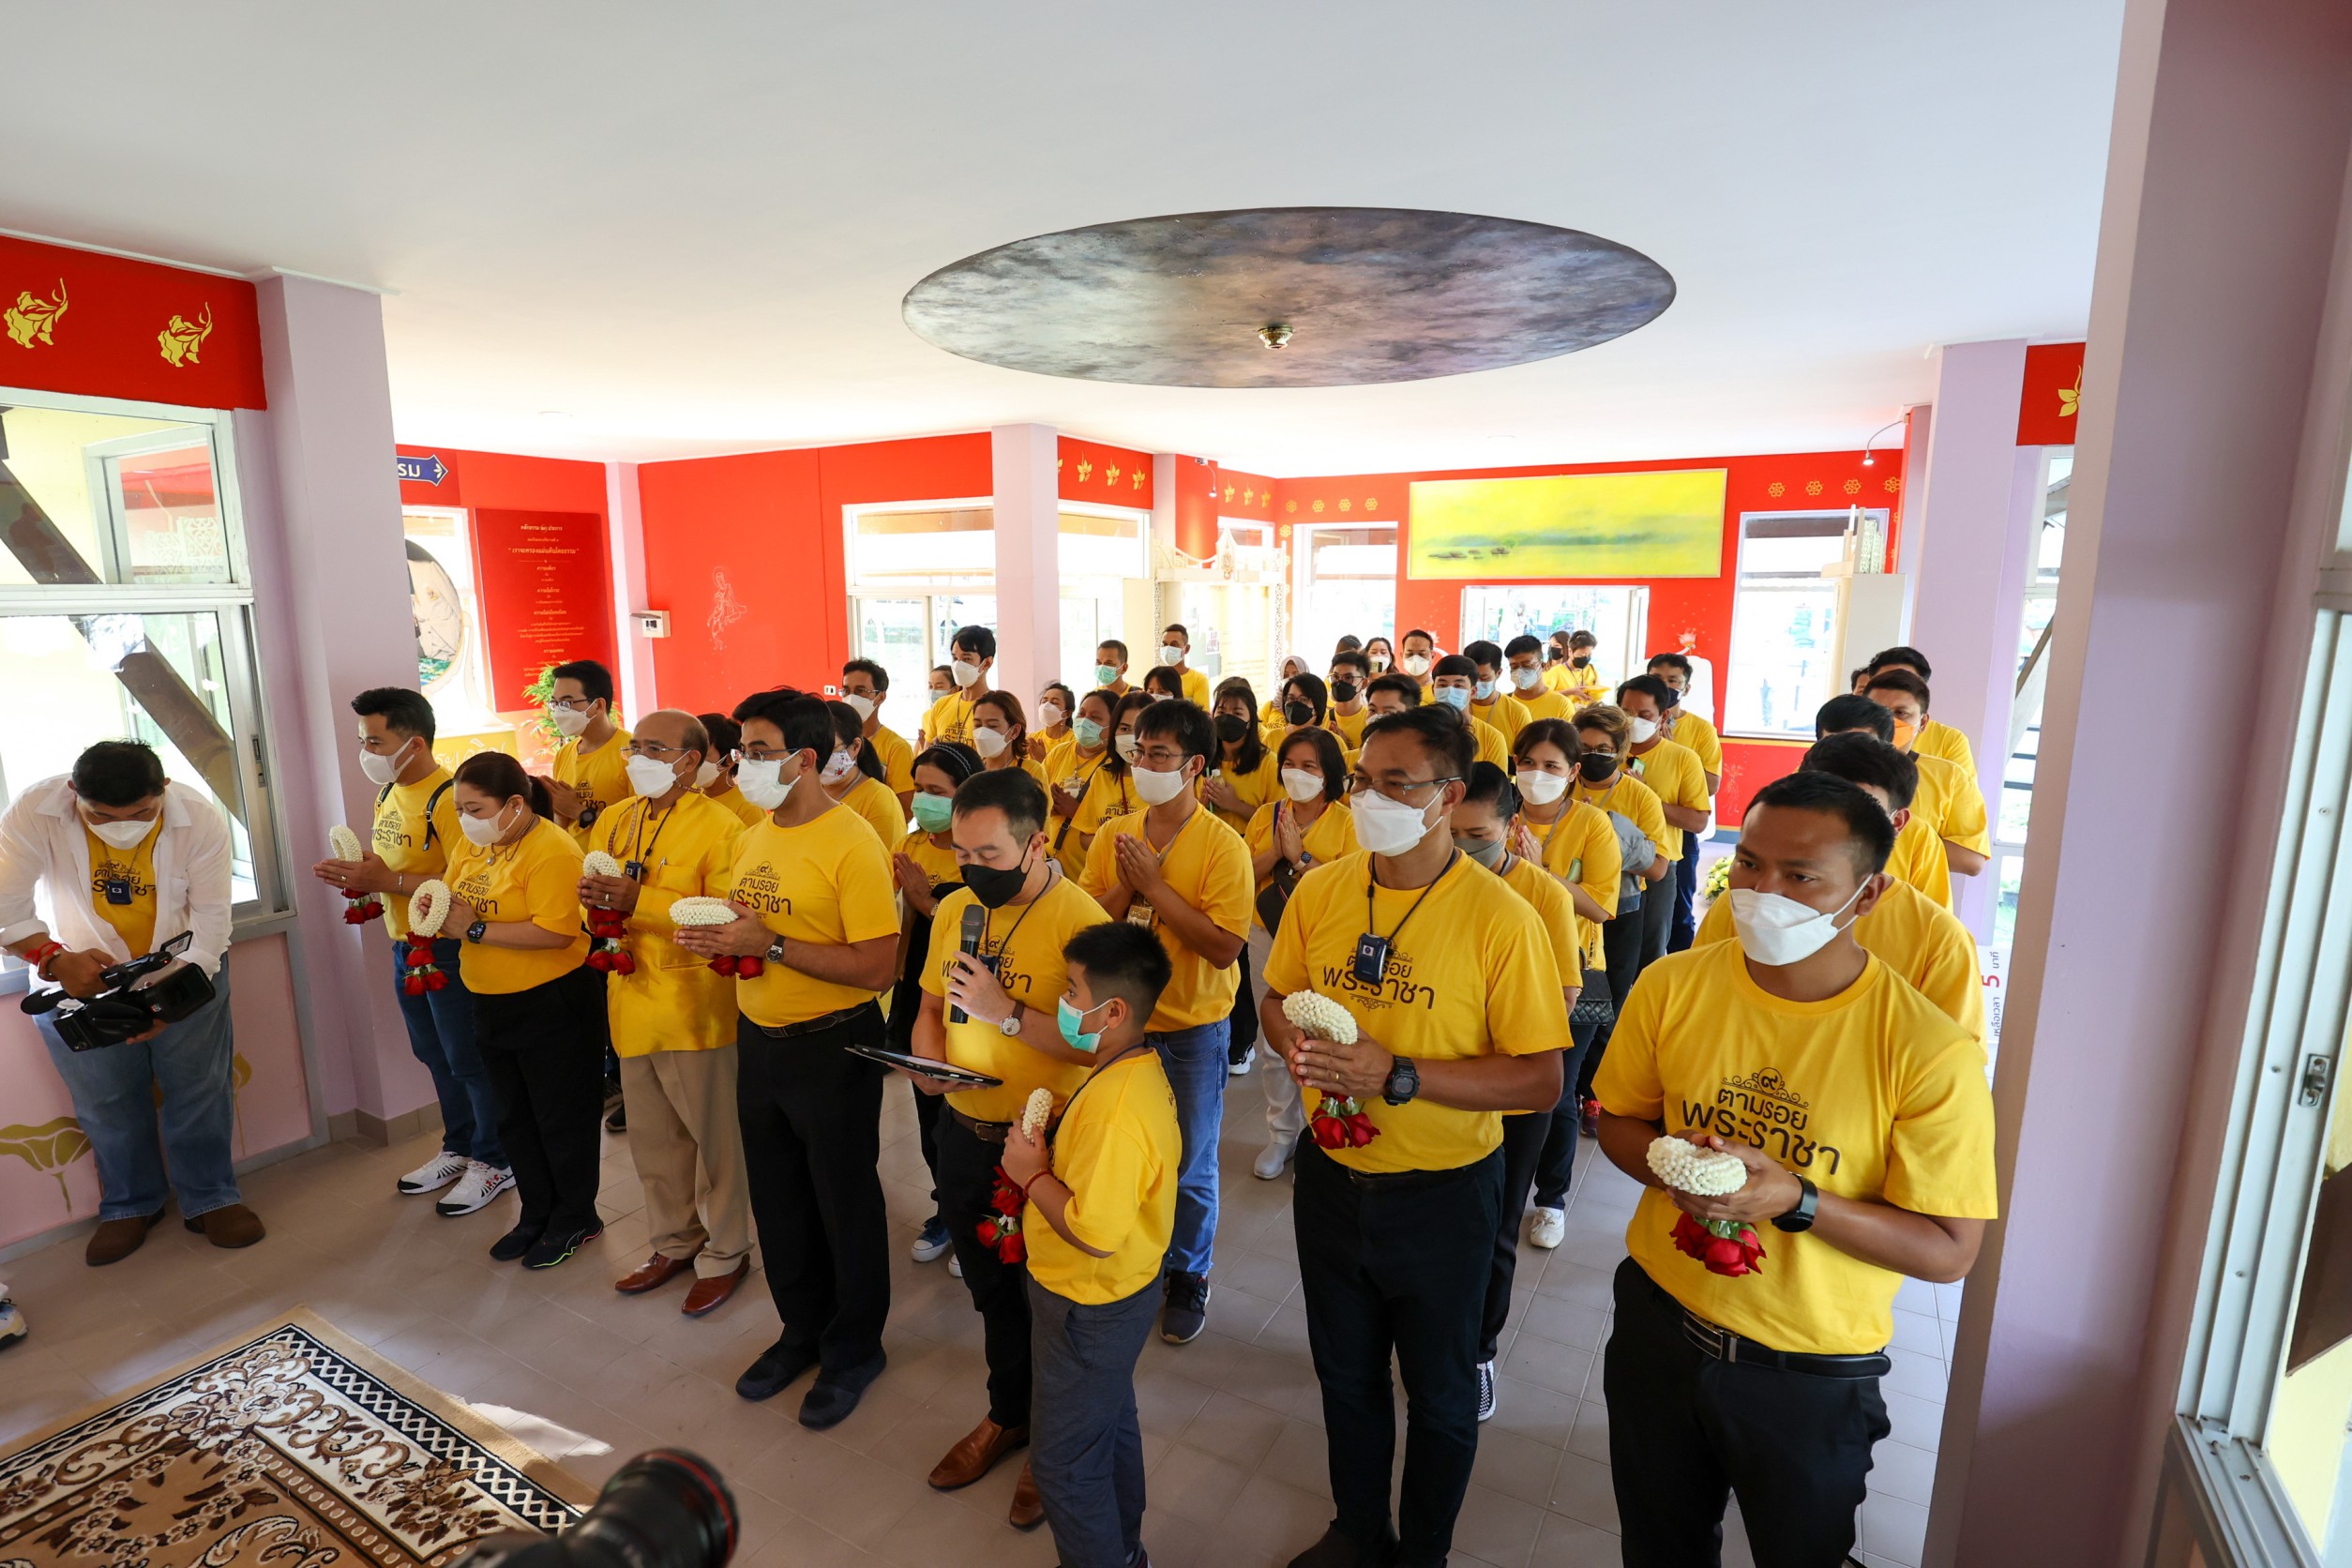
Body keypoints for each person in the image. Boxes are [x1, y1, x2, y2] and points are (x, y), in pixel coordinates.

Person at [1593, 771, 1997, 1565]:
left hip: (1807, 1371)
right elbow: (1620, 1122)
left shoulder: (1926, 1050)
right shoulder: (1672, 985)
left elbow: (1950, 1250)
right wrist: (1677, 1168)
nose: (1761, 892)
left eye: (1801, 876)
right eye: (1749, 863)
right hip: (1658, 1327)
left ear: (1869, 893)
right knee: (1658, 1545)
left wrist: (1795, 1199)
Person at [1259, 706, 1566, 1568]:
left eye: (1398, 784)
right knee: (1345, 1375)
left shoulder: (1501, 918)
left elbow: (1540, 1079)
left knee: (1439, 1394)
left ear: (1449, 796)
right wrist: (1298, 1047)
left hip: (1442, 1195)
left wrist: (1398, 1074)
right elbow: (1276, 998)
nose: (1370, 798)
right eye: (1364, 780)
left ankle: (1424, 1551)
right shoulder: (1322, 890)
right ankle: (1358, 1529)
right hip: (1331, 1179)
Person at [674, 688, 900, 1427]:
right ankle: (801, 1329)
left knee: (843, 1200)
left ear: (805, 759)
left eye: (759, 752)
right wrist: (722, 943)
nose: (743, 765)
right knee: (778, 1196)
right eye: (742, 751)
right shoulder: (754, 836)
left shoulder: (853, 842)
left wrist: (768, 944)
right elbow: (752, 928)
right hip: (760, 1039)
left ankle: (855, 1349)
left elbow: (877, 968)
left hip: (832, 1044)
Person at [910, 768, 1108, 1529]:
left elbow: (1100, 1047)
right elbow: (930, 1006)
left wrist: (1007, 1012)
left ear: (1038, 843)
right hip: (965, 1132)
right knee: (992, 1291)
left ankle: (1054, 1443)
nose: (972, 870)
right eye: (961, 854)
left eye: (989, 855)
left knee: (1051, 1305)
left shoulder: (1084, 924)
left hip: (1045, 1148)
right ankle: (1008, 1414)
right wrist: (929, 1062)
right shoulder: (954, 909)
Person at [1, 740, 258, 1263]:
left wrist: (168, 1006)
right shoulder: (35, 810)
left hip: (185, 975)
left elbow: (212, 925)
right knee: (106, 1102)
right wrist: (53, 958)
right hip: (79, 985)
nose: (122, 826)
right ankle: (130, 1205)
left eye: (142, 813)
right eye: (101, 815)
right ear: (74, 793)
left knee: (200, 1088)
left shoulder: (199, 819)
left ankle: (211, 1198)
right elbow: (4, 902)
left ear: (164, 789)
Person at [1001, 923, 1181, 1568]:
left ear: (1114, 1012)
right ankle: (1124, 1551)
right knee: (1105, 1426)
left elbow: (1095, 1233)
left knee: (1062, 1466)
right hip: (1117, 1294)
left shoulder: (1116, 1110)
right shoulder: (1130, 1068)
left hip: (1088, 1302)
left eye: (1073, 992)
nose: (1062, 1003)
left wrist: (1031, 1175)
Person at [1078, 698, 1252, 1345]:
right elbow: (1088, 924)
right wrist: (1127, 886)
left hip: (1190, 1029)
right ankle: (1134, 1252)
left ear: (1194, 766)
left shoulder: (1223, 846)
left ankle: (1188, 1271)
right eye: (1138, 752)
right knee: (1117, 1146)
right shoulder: (1115, 834)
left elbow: (1224, 948)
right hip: (1119, 1026)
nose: (1144, 765)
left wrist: (1154, 887)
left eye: (1159, 755)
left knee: (1190, 1161)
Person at [314, 687, 510, 1217]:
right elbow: (395, 866)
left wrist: (387, 880)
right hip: (404, 945)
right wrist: (364, 874)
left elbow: (467, 881)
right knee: (435, 1055)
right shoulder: (386, 794)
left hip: (446, 948)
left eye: (375, 741)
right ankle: (459, 1146)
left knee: (468, 1059)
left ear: (415, 743)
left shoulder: (447, 799)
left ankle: (495, 1159)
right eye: (363, 741)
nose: (366, 752)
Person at [583, 710, 753, 1315]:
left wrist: (642, 899)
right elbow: (593, 891)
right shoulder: (615, 819)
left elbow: (723, 916)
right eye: (634, 746)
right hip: (630, 1001)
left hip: (694, 1009)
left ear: (691, 760)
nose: (638, 758)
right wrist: (594, 903)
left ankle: (727, 1251)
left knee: (716, 1145)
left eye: (654, 749)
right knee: (655, 1143)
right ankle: (675, 1242)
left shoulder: (723, 826)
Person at [1693, 734, 1987, 1041]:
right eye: (1816, 802)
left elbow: (1952, 1056)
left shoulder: (1940, 941)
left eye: (1858, 809)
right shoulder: (1747, 903)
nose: (1829, 823)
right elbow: (1696, 1001)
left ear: (1897, 822)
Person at [1449, 761, 1586, 1424]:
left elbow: (1564, 997)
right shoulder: (1430, 885)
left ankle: (1478, 1351)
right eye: (1451, 832)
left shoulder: (1542, 896)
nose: (1461, 847)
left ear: (1512, 828)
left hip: (1509, 1089)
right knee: (1439, 1218)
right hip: (1439, 1083)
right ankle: (1433, 1333)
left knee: (1499, 1222)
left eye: (1476, 835)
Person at [442, 753, 598, 1268]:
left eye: (475, 808)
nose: (466, 819)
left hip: (551, 1001)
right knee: (514, 1117)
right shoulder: (473, 843)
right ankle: (536, 1214)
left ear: (514, 803)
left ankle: (575, 1217)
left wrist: (475, 928)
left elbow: (557, 933)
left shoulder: (552, 850)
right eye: (460, 808)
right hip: (490, 997)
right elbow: (452, 895)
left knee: (560, 1117)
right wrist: (436, 909)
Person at [1504, 719, 1620, 1250]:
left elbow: (1601, 907)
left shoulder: (1592, 825)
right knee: (1504, 1082)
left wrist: (1540, 874)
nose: (1537, 774)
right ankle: (1500, 1183)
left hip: (1572, 970)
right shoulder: (1500, 814)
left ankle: (1551, 1199)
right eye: (1528, 763)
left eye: (1551, 766)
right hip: (1505, 965)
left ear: (1573, 772)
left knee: (1556, 1089)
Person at [1244, 726, 1358, 1179]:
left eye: (1309, 766)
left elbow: (1349, 887)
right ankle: (1281, 1134)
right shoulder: (1266, 815)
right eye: (1290, 764)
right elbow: (1242, 874)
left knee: (1325, 1036)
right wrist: (1276, 851)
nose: (1297, 773)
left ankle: (1324, 1127)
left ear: (1329, 774)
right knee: (1275, 1041)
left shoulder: (1347, 822)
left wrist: (1301, 859)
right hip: (1267, 934)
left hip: (1325, 942)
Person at [889, 743, 983, 1271]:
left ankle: (982, 1218)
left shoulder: (981, 849)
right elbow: (900, 919)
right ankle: (946, 1208)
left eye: (936, 792)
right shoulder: (910, 844)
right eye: (919, 789)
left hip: (970, 990)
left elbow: (981, 924)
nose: (923, 801)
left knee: (969, 1111)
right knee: (929, 1107)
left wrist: (928, 901)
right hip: (918, 990)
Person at [1571, 704, 1673, 1128]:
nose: (1592, 756)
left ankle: (1593, 1093)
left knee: (1605, 1002)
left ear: (1621, 751)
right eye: (1584, 747)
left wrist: (1606, 835)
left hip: (1620, 911)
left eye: (1603, 749)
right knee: (1568, 994)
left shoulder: (1639, 796)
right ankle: (1565, 1083)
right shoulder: (1560, 784)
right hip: (1566, 908)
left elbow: (1659, 868)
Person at [1203, 679, 1279, 1077]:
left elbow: (1277, 817)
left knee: (1242, 956)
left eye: (1237, 712)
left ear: (1251, 719)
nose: (1227, 718)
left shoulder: (1266, 763)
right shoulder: (1205, 758)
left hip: (1251, 866)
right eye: (1222, 710)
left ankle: (1243, 1039)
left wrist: (1234, 804)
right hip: (1209, 863)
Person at [1816, 696, 1953, 909]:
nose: (1847, 759)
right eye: (1834, 746)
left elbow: (1932, 918)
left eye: (1863, 748)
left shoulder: (1918, 835)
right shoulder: (1784, 817)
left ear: (1887, 749)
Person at [1864, 670, 1992, 881]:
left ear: (1923, 723)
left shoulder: (1950, 777)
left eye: (1901, 713)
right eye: (1877, 711)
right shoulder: (1828, 766)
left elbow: (1971, 859)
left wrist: (1889, 841)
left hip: (1913, 898)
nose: (1888, 721)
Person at [1617, 674, 1711, 957]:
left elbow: (1698, 821)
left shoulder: (1683, 758)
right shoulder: (1606, 752)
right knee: (1612, 949)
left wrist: (1648, 798)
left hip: (1658, 864)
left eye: (1644, 715)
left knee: (1651, 947)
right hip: (1609, 860)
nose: (1633, 721)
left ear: (1663, 716)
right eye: (1626, 712)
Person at [543, 658, 630, 846]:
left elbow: (640, 827)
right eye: (555, 703)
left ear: (598, 705)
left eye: (567, 702)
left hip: (615, 860)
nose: (559, 711)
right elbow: (563, 826)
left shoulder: (631, 751)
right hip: (576, 860)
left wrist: (578, 811)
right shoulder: (564, 753)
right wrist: (558, 808)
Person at [1066, 692, 1150, 870]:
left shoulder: (1163, 780)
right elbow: (1085, 838)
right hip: (1102, 878)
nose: (1132, 737)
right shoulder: (1102, 776)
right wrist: (1122, 844)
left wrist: (1108, 838)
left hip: (1146, 876)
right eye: (1125, 729)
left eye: (1140, 730)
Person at [1046, 689, 1122, 879]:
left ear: (1113, 726)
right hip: (1048, 865)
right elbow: (1034, 797)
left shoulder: (1116, 765)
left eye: (1095, 717)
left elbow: (1116, 822)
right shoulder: (1059, 753)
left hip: (1087, 873)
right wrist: (1047, 806)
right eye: (1082, 713)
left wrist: (1077, 812)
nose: (1085, 721)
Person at [1864, 646, 1976, 772]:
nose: (1896, 684)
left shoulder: (1949, 740)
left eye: (1907, 679)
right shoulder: (1851, 732)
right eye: (1887, 679)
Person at [822, 700, 908, 852]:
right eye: (811, 747)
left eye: (828, 747)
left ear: (855, 746)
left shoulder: (879, 799)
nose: (818, 756)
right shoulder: (806, 792)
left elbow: (884, 861)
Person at [840, 659, 914, 811]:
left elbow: (906, 808)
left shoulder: (896, 748)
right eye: (846, 691)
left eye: (860, 691)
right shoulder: (833, 742)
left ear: (880, 697)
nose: (851, 697)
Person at [1647, 652, 1725, 793]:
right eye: (1656, 679)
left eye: (1672, 681)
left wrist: (1674, 755)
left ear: (1686, 689)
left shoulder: (1703, 730)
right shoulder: (1633, 723)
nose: (1663, 685)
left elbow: (1711, 787)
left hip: (1675, 806)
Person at [1422, 659, 1511, 768]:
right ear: (1433, 690)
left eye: (1458, 686)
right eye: (1442, 685)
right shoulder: (1419, 732)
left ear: (1473, 692)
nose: (1450, 691)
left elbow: (1495, 779)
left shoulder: (1492, 738)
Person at [926, 626, 996, 747]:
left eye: (967, 658)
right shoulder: (941, 705)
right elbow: (928, 752)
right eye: (955, 658)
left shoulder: (997, 709)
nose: (958, 665)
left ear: (987, 663)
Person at [697, 713, 767, 829]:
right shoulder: (687, 798)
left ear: (729, 760)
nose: (693, 760)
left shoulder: (748, 808)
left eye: (703, 754)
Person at [1461, 640, 1532, 746]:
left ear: (1498, 673)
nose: (1476, 683)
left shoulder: (1517, 712)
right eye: (1472, 677)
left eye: (1484, 678)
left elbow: (1527, 751)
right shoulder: (1455, 708)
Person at [973, 689, 1050, 787]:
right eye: (977, 725)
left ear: (1014, 731)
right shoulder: (970, 769)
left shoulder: (1030, 771)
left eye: (992, 725)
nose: (982, 733)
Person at [1503, 635, 1572, 723]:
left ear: (1543, 666)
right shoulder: (1502, 704)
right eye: (1514, 666)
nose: (1520, 671)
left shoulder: (1562, 705)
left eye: (1527, 664)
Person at [1324, 651, 1374, 749]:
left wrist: (1347, 748)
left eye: (1348, 678)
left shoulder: (1370, 723)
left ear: (1364, 683)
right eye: (1335, 677)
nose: (1339, 682)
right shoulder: (1321, 721)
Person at [1155, 623, 1214, 706]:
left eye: (1174, 645)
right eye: (1164, 644)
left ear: (1186, 649)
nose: (1168, 648)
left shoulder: (1198, 680)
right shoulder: (1154, 678)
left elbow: (1202, 713)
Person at [1032, 682, 1076, 762]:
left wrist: (1043, 760)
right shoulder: (1032, 739)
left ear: (1067, 713)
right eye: (1044, 702)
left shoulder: (1075, 742)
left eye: (1054, 703)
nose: (1046, 706)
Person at [1560, 630, 1606, 708]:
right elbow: (1545, 697)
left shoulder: (1591, 669)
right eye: (1582, 655)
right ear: (1570, 652)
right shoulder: (1556, 672)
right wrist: (1570, 692)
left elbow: (1598, 697)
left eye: (1589, 655)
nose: (1586, 658)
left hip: (1587, 712)